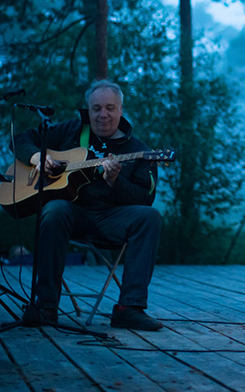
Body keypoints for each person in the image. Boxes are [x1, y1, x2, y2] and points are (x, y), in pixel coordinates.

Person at [11, 79, 163, 330]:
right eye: (96, 108)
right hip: (70, 214)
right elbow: (20, 138)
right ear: (88, 109)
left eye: (110, 108)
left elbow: (144, 200)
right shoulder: (71, 131)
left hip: (110, 219)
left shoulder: (139, 152)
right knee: (54, 209)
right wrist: (37, 156)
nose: (103, 114)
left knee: (150, 217)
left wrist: (116, 181)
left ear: (121, 109)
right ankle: (46, 306)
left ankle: (130, 308)